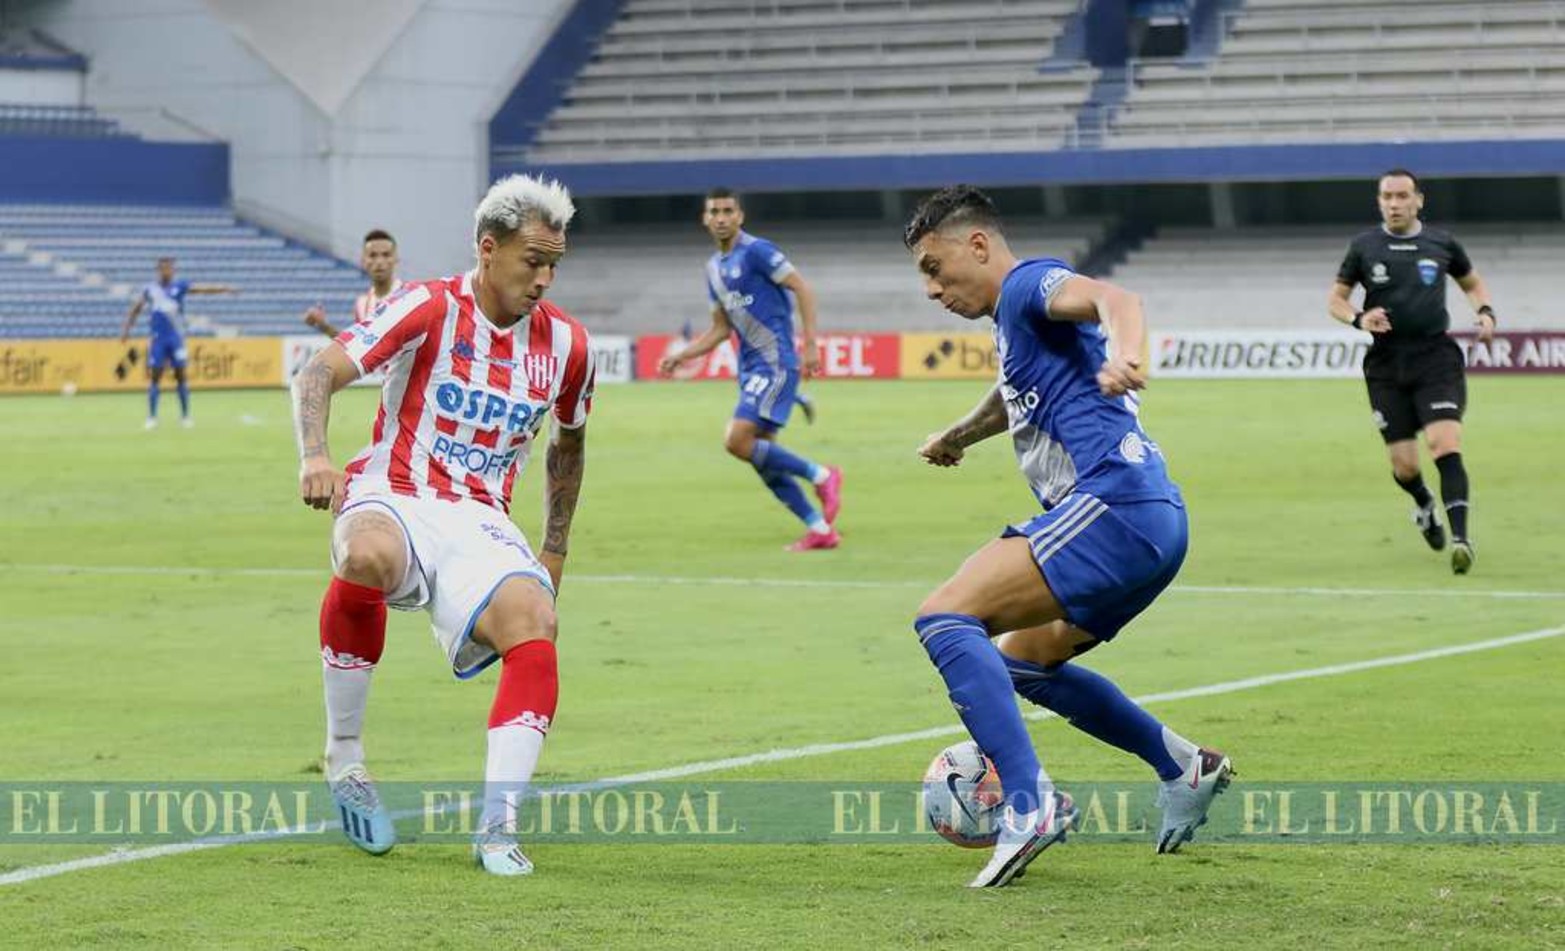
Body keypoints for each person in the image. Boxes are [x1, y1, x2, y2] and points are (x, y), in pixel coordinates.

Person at [904, 185, 1231, 888]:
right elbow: (1014, 394)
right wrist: (959, 435)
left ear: (978, 245)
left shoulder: (1026, 285)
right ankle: (1182, 763)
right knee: (1021, 665)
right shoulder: (1014, 323)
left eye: (934, 267)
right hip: (1152, 520)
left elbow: (1117, 299)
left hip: (1112, 506)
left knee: (943, 617)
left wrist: (1129, 355)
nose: (931, 289)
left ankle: (1029, 803)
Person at [290, 174, 594, 876]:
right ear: (488, 249)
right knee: (363, 553)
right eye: (532, 261)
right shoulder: (428, 306)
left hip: (479, 517)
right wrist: (315, 453)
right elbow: (318, 371)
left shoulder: (568, 347)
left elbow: (568, 444)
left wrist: (553, 547)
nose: (545, 278)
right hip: (394, 490)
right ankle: (346, 757)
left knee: (534, 620)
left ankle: (498, 826)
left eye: (554, 264)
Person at [1329, 168, 1496, 574]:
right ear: (1379, 201)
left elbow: (1472, 283)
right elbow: (1336, 299)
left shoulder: (1441, 243)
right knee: (1404, 467)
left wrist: (1486, 313)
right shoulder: (1364, 246)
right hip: (1386, 364)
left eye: (1402, 196)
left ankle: (1461, 539)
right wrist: (1358, 319)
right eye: (1387, 197)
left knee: (1445, 445)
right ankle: (1423, 504)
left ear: (1418, 200)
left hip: (1435, 357)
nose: (1394, 204)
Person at [657, 187, 842, 551]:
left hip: (775, 362)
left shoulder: (757, 251)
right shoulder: (714, 269)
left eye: (728, 210)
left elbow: (802, 288)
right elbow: (721, 329)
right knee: (760, 457)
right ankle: (820, 528)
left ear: (740, 216)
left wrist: (811, 344)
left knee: (736, 440)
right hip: (751, 369)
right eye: (715, 211)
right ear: (705, 219)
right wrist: (683, 355)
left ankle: (822, 475)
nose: (722, 217)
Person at [118, 257, 237, 428]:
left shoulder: (179, 286)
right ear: (158, 270)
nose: (166, 271)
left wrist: (224, 288)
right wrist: (126, 331)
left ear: (173, 271)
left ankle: (185, 416)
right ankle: (152, 417)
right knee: (155, 377)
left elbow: (202, 290)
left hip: (176, 339)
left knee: (181, 376)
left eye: (169, 268)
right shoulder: (150, 290)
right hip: (158, 339)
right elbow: (136, 309)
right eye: (163, 268)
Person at [303, 229, 403, 336]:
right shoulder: (362, 304)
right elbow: (357, 346)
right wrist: (322, 325)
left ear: (396, 259)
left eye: (386, 255)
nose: (379, 262)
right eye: (373, 255)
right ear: (363, 261)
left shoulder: (409, 296)